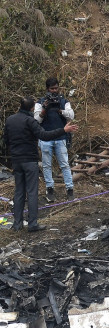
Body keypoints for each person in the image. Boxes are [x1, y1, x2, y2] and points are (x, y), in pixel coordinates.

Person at [4, 97, 78, 232]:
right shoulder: (30, 121)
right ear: (32, 108)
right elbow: (44, 135)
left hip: (16, 161)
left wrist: (14, 153)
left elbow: (6, 140)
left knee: (19, 191)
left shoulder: (10, 120)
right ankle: (32, 224)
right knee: (32, 192)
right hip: (30, 160)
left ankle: (17, 224)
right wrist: (64, 130)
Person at [34, 78, 75, 202]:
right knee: (46, 165)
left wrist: (59, 110)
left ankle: (70, 190)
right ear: (47, 89)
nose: (54, 91)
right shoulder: (40, 102)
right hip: (46, 138)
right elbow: (36, 120)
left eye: (56, 88)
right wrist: (45, 109)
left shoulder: (63, 101)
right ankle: (50, 189)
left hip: (61, 138)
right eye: (52, 89)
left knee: (65, 165)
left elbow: (71, 115)